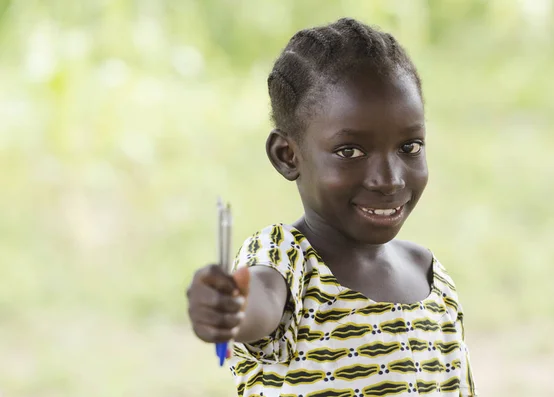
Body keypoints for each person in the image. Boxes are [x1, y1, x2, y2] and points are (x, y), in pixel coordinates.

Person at [187, 17, 478, 397]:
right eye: (350, 151)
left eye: (410, 147)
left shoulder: (433, 282)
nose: (389, 179)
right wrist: (228, 306)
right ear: (287, 155)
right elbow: (259, 302)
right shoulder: (286, 260)